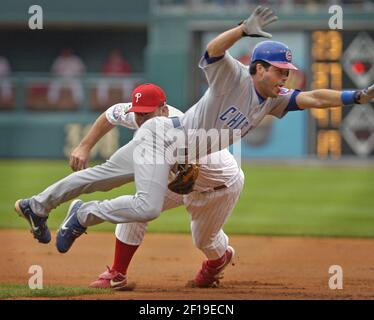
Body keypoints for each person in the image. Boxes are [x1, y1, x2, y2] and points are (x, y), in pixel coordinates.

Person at [16, 6, 374, 283]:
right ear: (259, 67)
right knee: (145, 206)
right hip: (161, 137)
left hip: (172, 147)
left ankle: (39, 204)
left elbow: (313, 97)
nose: (285, 76)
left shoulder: (273, 100)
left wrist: (355, 95)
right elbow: (213, 49)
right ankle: (77, 213)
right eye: (279, 70)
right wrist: (242, 30)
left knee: (105, 178)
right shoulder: (232, 75)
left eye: (286, 72)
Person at [15, 83, 244, 288]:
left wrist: (186, 162)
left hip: (219, 187)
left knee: (204, 240)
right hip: (169, 173)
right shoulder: (139, 116)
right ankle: (39, 207)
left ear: (163, 109)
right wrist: (85, 146)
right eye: (139, 115)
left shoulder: (186, 127)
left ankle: (217, 262)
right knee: (131, 201)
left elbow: (196, 163)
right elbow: (109, 114)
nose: (142, 120)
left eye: (147, 114)